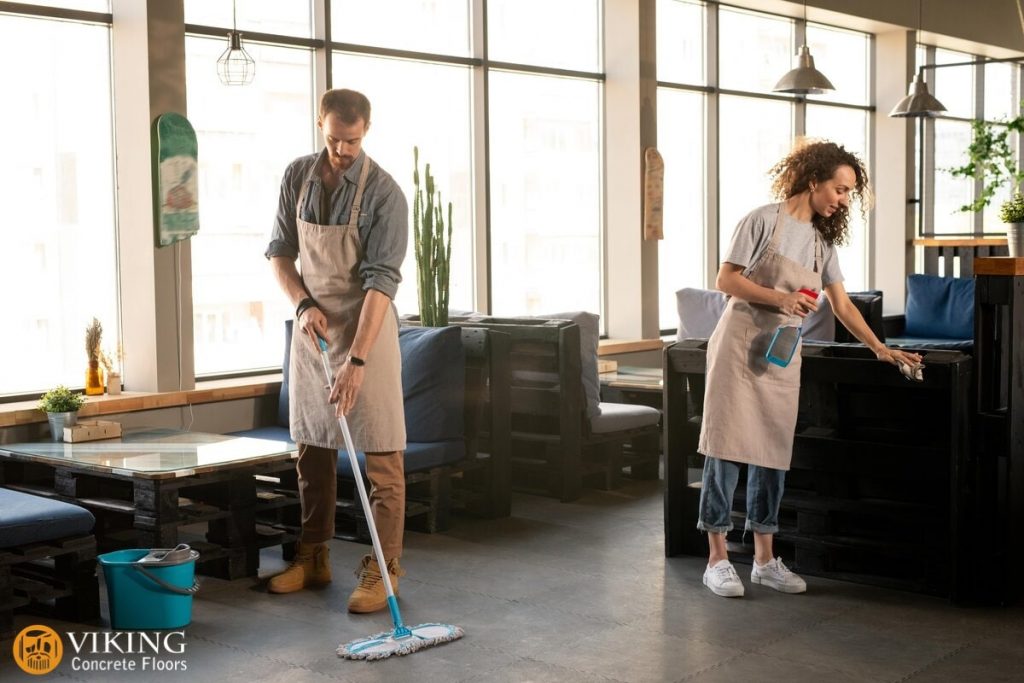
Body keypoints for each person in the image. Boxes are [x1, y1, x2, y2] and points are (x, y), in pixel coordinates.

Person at [697, 139, 922, 598]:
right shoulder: (762, 220)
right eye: (840, 190)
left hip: (780, 354)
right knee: (724, 448)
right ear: (814, 180)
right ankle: (717, 558)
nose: (843, 200)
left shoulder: (822, 244)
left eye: (848, 194)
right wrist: (780, 298)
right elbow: (725, 279)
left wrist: (881, 347)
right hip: (739, 345)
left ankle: (764, 560)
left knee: (773, 454)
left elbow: (842, 305)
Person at [265, 88, 409, 614]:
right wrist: (302, 305)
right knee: (312, 449)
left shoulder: (384, 194)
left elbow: (381, 283)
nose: (341, 151)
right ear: (319, 126)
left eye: (350, 141)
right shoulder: (297, 176)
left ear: (366, 129)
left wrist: (358, 360)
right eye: (332, 139)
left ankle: (383, 570)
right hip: (313, 329)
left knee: (383, 455)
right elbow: (280, 251)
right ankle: (313, 556)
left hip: (366, 330)